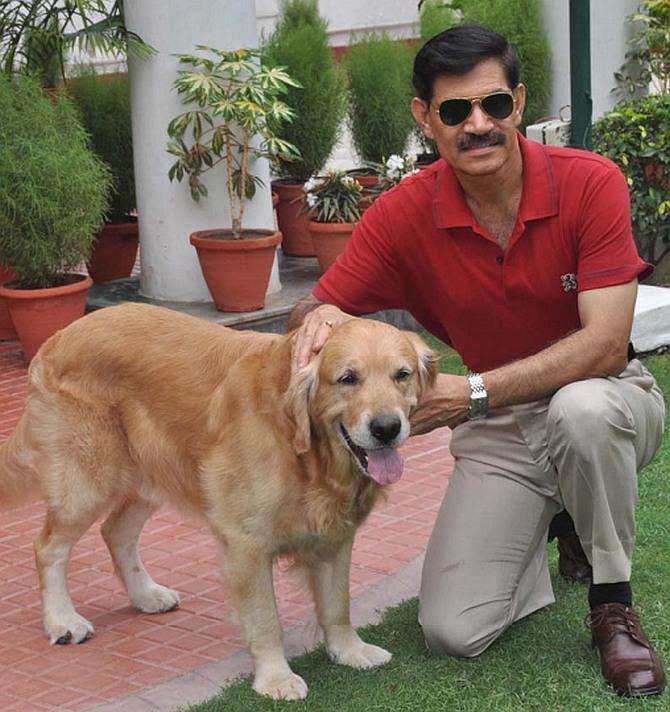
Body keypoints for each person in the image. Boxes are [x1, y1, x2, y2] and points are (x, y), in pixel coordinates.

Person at [288, 24, 666, 698]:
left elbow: (607, 344)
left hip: (607, 395)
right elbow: (317, 312)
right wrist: (315, 319)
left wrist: (476, 393)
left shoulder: (590, 182)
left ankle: (612, 603)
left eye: (495, 105)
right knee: (454, 630)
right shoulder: (401, 215)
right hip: (504, 431)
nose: (479, 124)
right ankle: (562, 515)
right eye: (456, 111)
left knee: (582, 413)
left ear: (519, 102)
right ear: (425, 118)